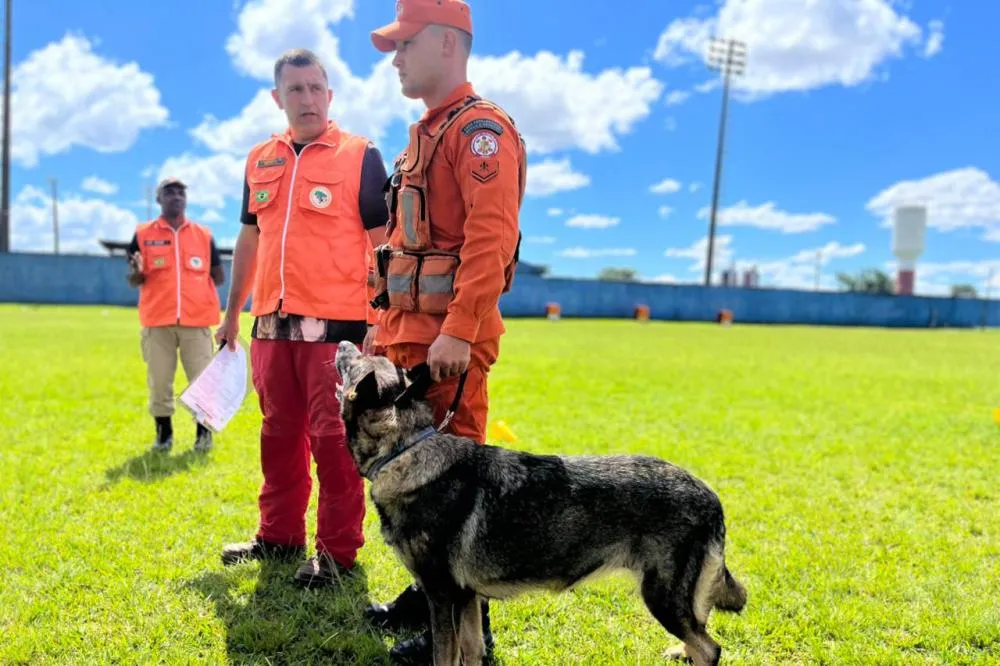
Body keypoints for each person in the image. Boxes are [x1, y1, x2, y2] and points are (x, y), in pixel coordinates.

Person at [365, 0, 527, 660]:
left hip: (447, 348)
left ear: (447, 43)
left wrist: (459, 330)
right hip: (408, 339)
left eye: (406, 43)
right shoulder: (424, 134)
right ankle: (423, 595)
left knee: (453, 495)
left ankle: (467, 638)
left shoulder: (478, 130)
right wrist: (381, 330)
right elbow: (405, 245)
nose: (396, 57)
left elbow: (492, 238)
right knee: (410, 484)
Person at [215, 48, 390, 588]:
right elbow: (249, 238)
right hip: (270, 328)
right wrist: (231, 313)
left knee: (334, 444)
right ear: (278, 97)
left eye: (316, 88)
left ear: (330, 94)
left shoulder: (361, 155)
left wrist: (382, 320)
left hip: (336, 334)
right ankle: (278, 536)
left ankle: (336, 553)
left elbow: (383, 243)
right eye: (296, 90)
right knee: (278, 437)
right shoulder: (259, 160)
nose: (307, 98)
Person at [126, 177, 224, 454]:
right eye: (169, 191)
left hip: (197, 322)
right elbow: (134, 277)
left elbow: (218, 275)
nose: (176, 196)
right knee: (159, 382)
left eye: (181, 191)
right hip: (158, 322)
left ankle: (203, 436)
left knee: (203, 382)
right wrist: (138, 272)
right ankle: (164, 436)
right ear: (159, 199)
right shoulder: (143, 233)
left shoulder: (203, 235)